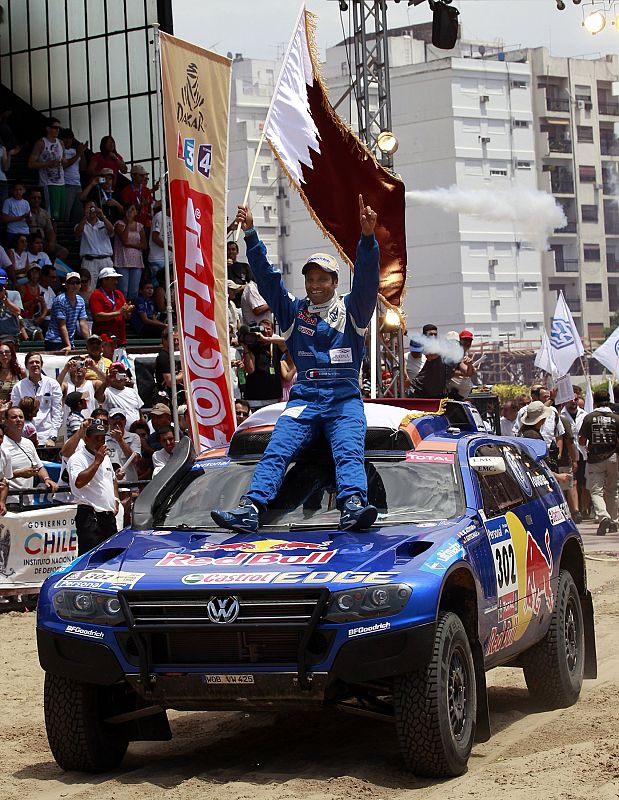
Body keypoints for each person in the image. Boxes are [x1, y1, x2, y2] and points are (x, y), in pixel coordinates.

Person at [212, 195, 380, 534]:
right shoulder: (293, 311)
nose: (315, 286)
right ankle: (251, 508)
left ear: (335, 282)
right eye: (310, 279)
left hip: (344, 399)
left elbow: (367, 280)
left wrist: (367, 239)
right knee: (276, 449)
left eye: (323, 279)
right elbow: (269, 280)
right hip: (303, 399)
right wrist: (251, 235)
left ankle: (352, 507)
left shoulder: (353, 309)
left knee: (348, 450)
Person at [67, 418, 120, 555]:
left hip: (107, 517)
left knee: (111, 557)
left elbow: (112, 478)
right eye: (97, 438)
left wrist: (115, 498)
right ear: (86, 439)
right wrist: (96, 462)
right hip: (90, 516)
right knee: (91, 558)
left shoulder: (105, 457)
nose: (100, 442)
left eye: (103, 438)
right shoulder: (77, 458)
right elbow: (78, 482)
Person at [578, 390, 619, 537]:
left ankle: (603, 516)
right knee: (613, 490)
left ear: (594, 401)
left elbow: (581, 440)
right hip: (613, 457)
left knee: (596, 491)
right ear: (609, 400)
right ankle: (614, 521)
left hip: (595, 458)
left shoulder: (589, 418)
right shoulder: (616, 418)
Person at [3, 405, 57, 506]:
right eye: (14, 417)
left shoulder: (28, 443)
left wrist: (47, 479)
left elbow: (39, 466)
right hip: (10, 500)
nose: (18, 420)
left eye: (21, 417)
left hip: (28, 500)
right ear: (5, 421)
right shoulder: (2, 443)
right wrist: (19, 473)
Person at [11, 352, 64, 445]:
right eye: (31, 362)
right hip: (25, 438)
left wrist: (53, 436)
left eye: (37, 362)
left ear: (41, 364)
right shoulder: (18, 387)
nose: (35, 365)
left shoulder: (52, 384)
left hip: (47, 437)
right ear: (26, 366)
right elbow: (16, 413)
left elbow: (57, 411)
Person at [27, 117, 66, 221]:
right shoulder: (41, 143)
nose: (57, 130)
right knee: (52, 214)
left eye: (59, 128)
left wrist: (65, 161)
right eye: (55, 127)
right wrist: (49, 163)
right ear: (48, 128)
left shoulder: (61, 143)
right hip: (48, 183)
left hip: (61, 181)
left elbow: (64, 160)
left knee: (61, 214)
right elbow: (31, 164)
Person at [241, 319, 285, 408]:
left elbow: (288, 341)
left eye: (268, 329)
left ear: (273, 331)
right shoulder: (252, 346)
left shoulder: (276, 344)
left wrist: (267, 339)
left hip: (273, 395)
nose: (265, 331)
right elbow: (250, 370)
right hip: (255, 396)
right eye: (262, 328)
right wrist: (245, 347)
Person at [44, 272, 89, 352]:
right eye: (71, 283)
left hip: (69, 341)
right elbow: (62, 325)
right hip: (55, 340)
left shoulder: (80, 300)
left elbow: (83, 323)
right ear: (66, 285)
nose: (75, 285)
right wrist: (68, 345)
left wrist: (89, 342)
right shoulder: (60, 300)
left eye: (77, 282)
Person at [75, 200, 115, 287]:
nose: (91, 210)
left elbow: (111, 231)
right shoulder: (81, 224)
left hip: (106, 260)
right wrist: (85, 216)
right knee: (88, 288)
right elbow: (78, 233)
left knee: (109, 286)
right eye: (89, 208)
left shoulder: (103, 223)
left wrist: (103, 216)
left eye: (93, 207)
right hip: (89, 261)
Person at [89, 265, 132, 344]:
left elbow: (126, 316)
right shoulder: (96, 294)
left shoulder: (119, 293)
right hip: (104, 341)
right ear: (104, 280)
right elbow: (97, 316)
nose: (116, 282)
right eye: (113, 279)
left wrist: (127, 312)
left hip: (120, 339)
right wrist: (119, 313)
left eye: (116, 279)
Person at [113, 203, 146, 300]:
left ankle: (131, 312)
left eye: (134, 209)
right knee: (123, 290)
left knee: (134, 291)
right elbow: (124, 240)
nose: (133, 212)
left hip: (136, 262)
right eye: (131, 209)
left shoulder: (139, 226)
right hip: (122, 261)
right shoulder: (119, 224)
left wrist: (131, 245)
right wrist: (128, 222)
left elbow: (144, 245)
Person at [96, 361, 142, 427]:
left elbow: (139, 411)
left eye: (120, 372)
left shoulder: (132, 391)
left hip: (135, 433)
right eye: (115, 373)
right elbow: (98, 397)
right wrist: (106, 382)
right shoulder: (107, 391)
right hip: (115, 432)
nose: (118, 375)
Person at [106, 408, 142, 486]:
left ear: (125, 421)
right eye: (114, 418)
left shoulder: (134, 437)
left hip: (130, 486)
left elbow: (134, 460)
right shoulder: (102, 438)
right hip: (109, 486)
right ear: (108, 420)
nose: (118, 421)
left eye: (121, 418)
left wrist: (120, 440)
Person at [60, 129, 87, 224]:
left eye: (70, 138)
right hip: (67, 185)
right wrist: (79, 153)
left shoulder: (75, 151)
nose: (68, 141)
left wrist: (82, 153)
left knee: (78, 213)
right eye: (65, 138)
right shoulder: (60, 151)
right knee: (66, 212)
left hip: (78, 186)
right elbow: (65, 165)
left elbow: (83, 168)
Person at [120, 164, 153, 230]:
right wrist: (140, 205)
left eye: (144, 175)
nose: (143, 177)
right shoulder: (126, 191)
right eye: (141, 175)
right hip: (133, 224)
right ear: (133, 176)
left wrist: (151, 214)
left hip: (146, 224)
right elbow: (126, 208)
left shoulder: (146, 190)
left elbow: (150, 206)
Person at [20, 264, 48, 340]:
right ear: (29, 274)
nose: (35, 275)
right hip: (25, 319)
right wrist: (32, 301)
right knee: (38, 334)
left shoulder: (39, 288)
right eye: (33, 272)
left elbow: (44, 306)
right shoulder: (23, 288)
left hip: (35, 319)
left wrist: (42, 317)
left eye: (37, 272)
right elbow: (19, 307)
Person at [0, 341, 23, 408]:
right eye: (1, 353)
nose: (4, 354)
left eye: (7, 352)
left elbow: (26, 391)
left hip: (16, 410)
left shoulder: (20, 372)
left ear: (11, 354)